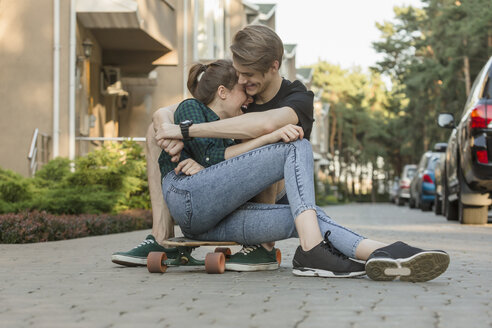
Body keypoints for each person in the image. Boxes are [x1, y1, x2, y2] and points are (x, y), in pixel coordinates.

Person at [112, 26, 450, 281]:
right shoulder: (233, 94)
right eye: (239, 76)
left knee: (305, 215)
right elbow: (175, 115)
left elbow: (266, 125)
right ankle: (161, 238)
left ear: (274, 66)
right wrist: (169, 126)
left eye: (248, 77)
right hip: (197, 198)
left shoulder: (297, 99)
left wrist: (187, 133)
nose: (242, 85)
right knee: (295, 151)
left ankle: (382, 254)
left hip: (229, 216)